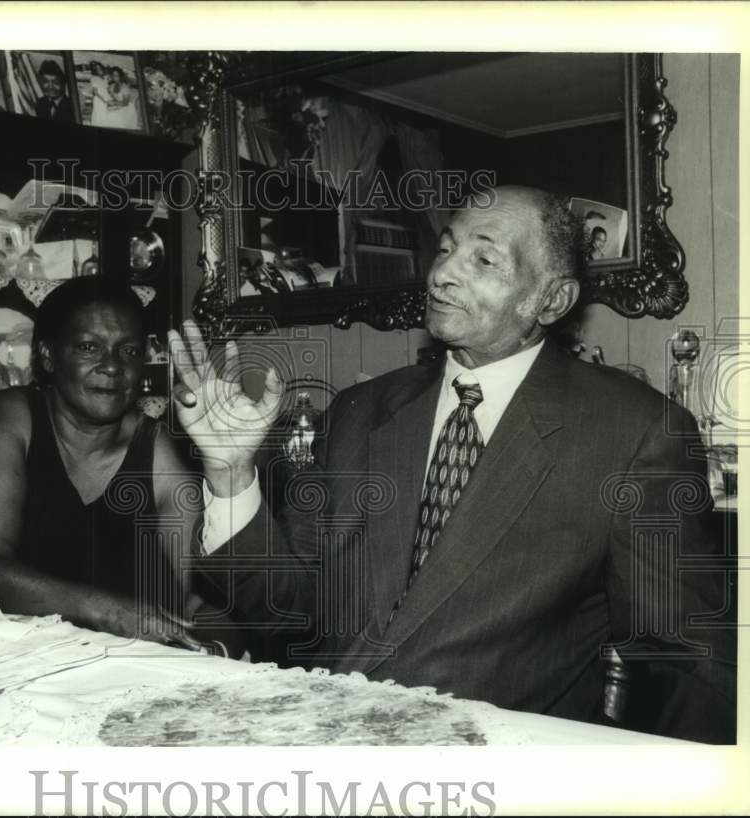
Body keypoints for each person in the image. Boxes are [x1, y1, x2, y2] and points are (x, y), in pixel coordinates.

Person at [169, 186, 736, 743]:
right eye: (445, 249)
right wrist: (230, 474)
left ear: (551, 301)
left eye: (483, 259)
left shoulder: (631, 431)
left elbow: (688, 662)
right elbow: (287, 611)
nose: (442, 273)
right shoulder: (360, 412)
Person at [0, 276, 233, 652]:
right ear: (48, 356)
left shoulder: (156, 448)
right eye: (88, 347)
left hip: (119, 671)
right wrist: (110, 613)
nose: (112, 367)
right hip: (7, 662)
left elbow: (182, 594)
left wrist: (219, 642)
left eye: (129, 351)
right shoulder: (10, 418)